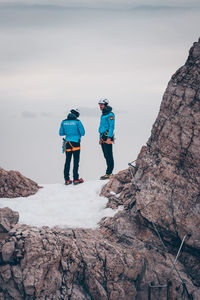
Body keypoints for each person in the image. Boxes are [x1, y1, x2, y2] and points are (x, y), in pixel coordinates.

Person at [59, 109, 85, 185]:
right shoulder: (77, 122)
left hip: (67, 143)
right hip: (76, 142)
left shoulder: (63, 122)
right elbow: (83, 133)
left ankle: (67, 179)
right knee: (76, 161)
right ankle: (76, 179)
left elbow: (61, 133)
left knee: (67, 161)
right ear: (77, 115)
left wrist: (68, 133)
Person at [98, 99, 115, 180]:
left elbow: (111, 126)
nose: (100, 106)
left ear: (105, 105)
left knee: (109, 155)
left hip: (107, 136)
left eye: (101, 105)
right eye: (100, 105)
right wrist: (100, 138)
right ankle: (108, 172)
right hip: (102, 136)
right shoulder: (103, 114)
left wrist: (109, 137)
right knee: (105, 155)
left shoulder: (110, 114)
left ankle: (109, 173)